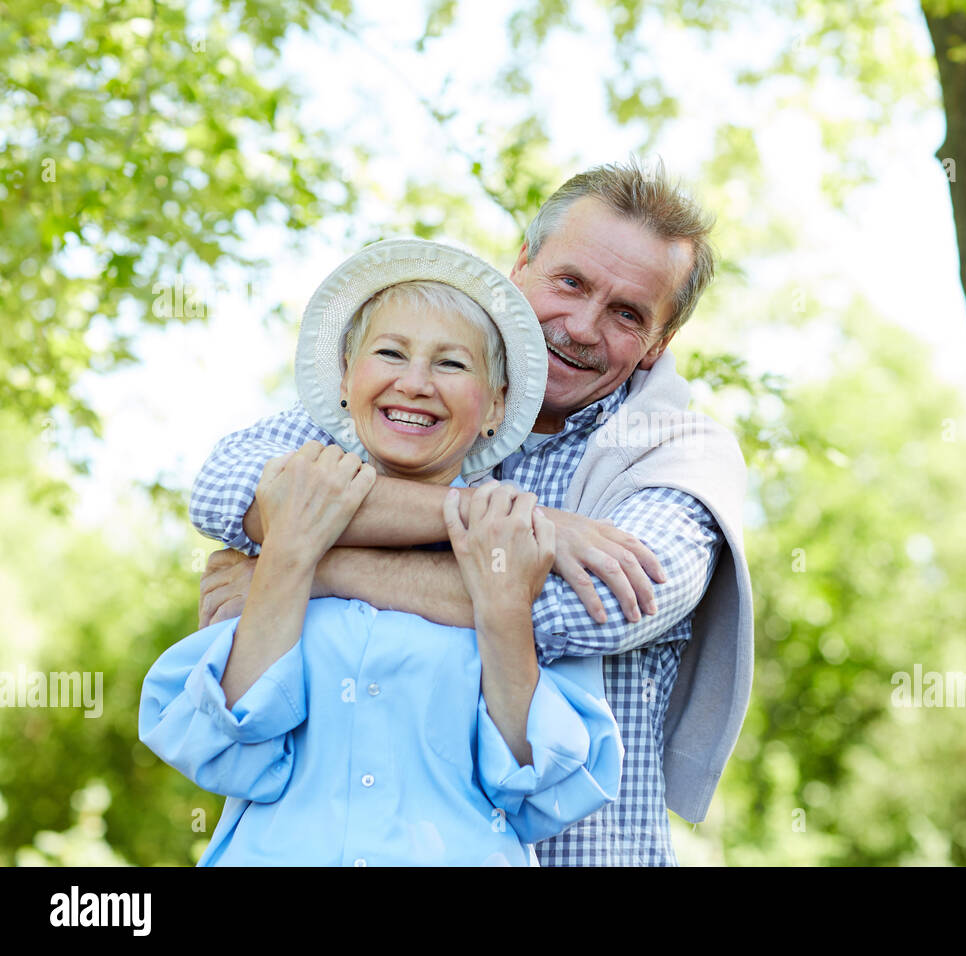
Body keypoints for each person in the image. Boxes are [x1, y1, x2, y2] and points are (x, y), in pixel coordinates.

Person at [191, 159, 754, 866]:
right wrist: (515, 531)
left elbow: (593, 608)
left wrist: (300, 567)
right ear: (520, 267)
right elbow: (226, 490)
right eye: (571, 282)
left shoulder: (678, 450)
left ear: (658, 343)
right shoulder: (415, 395)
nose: (581, 325)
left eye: (627, 313)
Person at [140, 242, 623, 866]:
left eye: (452, 365)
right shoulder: (287, 509)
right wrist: (288, 558)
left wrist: (501, 609)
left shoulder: (519, 542)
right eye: (391, 352)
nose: (415, 383)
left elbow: (535, 792)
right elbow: (230, 749)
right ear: (346, 378)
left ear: (496, 405)